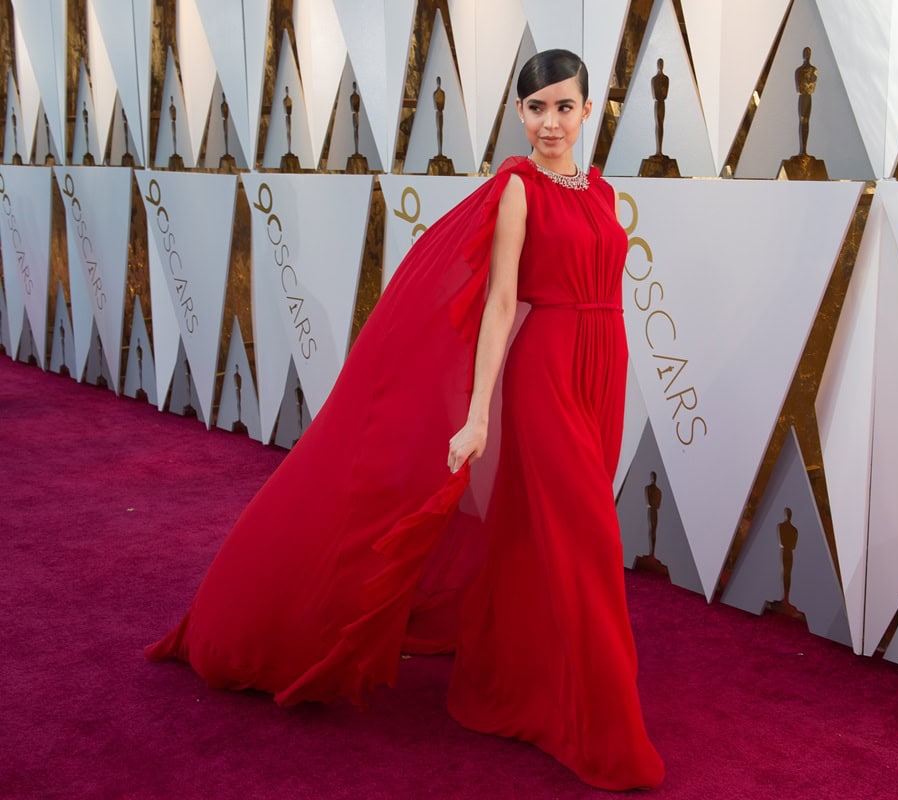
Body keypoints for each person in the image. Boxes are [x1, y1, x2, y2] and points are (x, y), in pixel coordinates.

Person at [146, 49, 665, 791]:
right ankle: (605, 732)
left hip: (600, 367)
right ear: (519, 115)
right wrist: (478, 414)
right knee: (588, 538)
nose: (551, 121)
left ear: (589, 111)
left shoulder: (606, 194)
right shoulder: (517, 189)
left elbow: (606, 290)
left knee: (540, 535)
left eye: (565, 106)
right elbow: (499, 304)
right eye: (537, 107)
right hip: (547, 371)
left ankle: (522, 681)